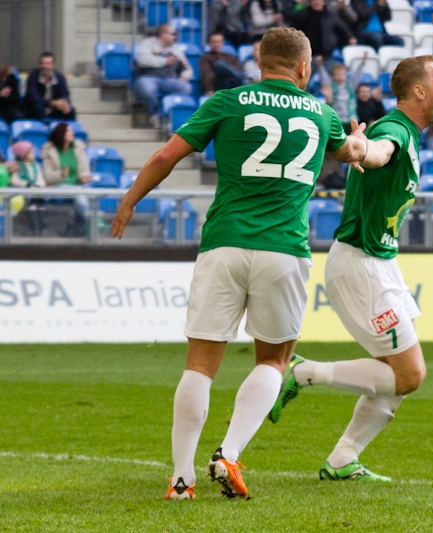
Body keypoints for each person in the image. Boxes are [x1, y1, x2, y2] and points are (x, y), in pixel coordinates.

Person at [111, 26, 368, 501]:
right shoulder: (323, 113)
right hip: (284, 250)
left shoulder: (228, 101)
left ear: (258, 60)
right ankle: (227, 453)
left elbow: (168, 155)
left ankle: (182, 479)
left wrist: (130, 200)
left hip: (224, 243)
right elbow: (353, 153)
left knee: (200, 365)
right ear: (305, 68)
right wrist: (357, 140)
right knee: (274, 358)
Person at [266, 55, 433, 482]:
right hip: (361, 266)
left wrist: (364, 153)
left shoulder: (409, 132)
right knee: (409, 375)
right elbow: (379, 151)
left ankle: (342, 459)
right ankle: (303, 372)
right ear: (420, 91)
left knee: (393, 374)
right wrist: (361, 150)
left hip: (379, 265)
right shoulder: (394, 130)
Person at [133, 24, 193, 128]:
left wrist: (185, 75)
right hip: (149, 76)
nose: (175, 37)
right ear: (164, 35)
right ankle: (155, 112)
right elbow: (142, 61)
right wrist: (165, 61)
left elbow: (187, 67)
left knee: (186, 87)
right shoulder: (147, 44)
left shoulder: (175, 49)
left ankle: (158, 115)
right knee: (147, 89)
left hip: (169, 79)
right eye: (173, 34)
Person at [287, 0, 356, 65]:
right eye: (313, 0)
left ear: (323, 2)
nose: (316, 2)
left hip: (328, 55)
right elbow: (294, 29)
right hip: (309, 55)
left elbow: (342, 27)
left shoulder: (331, 15)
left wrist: (350, 37)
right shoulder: (303, 15)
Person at [24, 53, 76, 121]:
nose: (44, 66)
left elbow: (65, 93)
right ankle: (40, 130)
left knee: (70, 110)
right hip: (36, 109)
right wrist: (52, 103)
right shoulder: (33, 76)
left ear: (52, 65)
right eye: (42, 63)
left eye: (47, 64)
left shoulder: (59, 77)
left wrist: (64, 102)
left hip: (54, 110)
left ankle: (67, 131)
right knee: (38, 108)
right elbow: (33, 97)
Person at [320, 61, 365, 134]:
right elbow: (324, 77)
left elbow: (357, 74)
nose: (341, 77)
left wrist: (362, 62)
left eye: (343, 74)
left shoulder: (350, 85)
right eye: (338, 74)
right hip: (337, 120)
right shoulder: (330, 85)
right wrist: (320, 66)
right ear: (332, 76)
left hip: (351, 120)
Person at [41, 123, 91, 187]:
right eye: (69, 131)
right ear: (62, 134)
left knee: (84, 193)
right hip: (57, 188)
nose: (72, 133)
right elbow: (47, 177)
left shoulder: (78, 149)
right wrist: (61, 174)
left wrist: (84, 176)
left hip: (76, 187)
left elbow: (84, 170)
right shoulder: (49, 152)